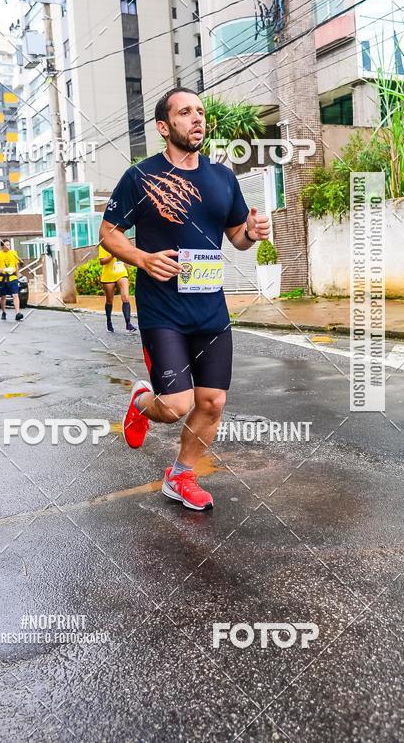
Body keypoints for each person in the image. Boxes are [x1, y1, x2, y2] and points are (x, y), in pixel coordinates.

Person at [99, 87, 271, 511]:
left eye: (200, 111)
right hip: (163, 311)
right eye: (184, 113)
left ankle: (181, 476)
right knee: (176, 405)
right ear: (164, 126)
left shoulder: (222, 178)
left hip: (210, 307)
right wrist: (142, 258)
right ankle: (142, 402)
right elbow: (107, 233)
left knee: (212, 402)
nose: (196, 118)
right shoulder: (141, 176)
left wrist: (251, 232)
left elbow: (236, 238)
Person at [98, 242, 136, 333]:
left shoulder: (120, 243)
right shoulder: (103, 244)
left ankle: (128, 324)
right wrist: (112, 255)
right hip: (108, 275)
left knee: (125, 298)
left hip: (121, 273)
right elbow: (102, 261)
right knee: (109, 301)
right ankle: (109, 322)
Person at [0, 238, 23, 321]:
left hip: (12, 277)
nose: (8, 246)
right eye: (6, 245)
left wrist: (18, 276)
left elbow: (17, 266)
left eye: (9, 244)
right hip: (2, 278)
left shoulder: (14, 253)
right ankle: (3, 312)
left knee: (15, 295)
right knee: (3, 297)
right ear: (2, 246)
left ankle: (17, 313)